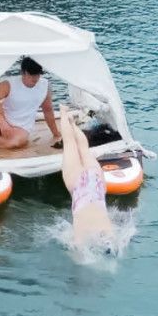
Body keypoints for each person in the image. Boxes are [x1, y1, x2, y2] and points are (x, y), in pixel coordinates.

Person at [58, 103, 116, 253]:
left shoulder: (108, 232)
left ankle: (68, 118)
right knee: (70, 144)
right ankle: (64, 114)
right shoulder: (82, 237)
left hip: (96, 182)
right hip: (79, 186)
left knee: (83, 148)